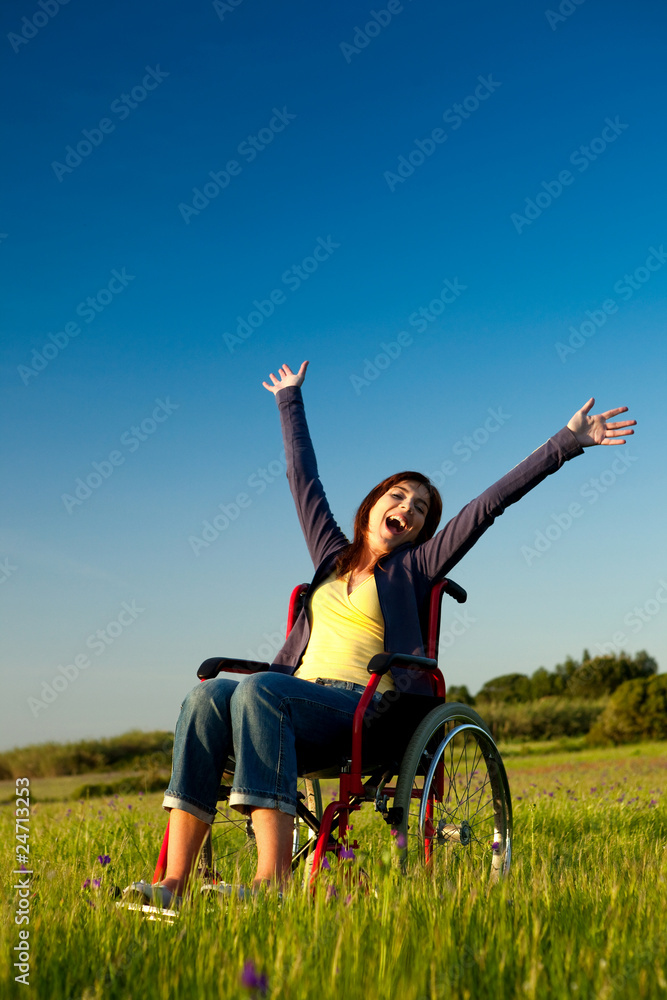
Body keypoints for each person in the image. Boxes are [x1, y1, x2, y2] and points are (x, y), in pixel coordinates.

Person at [123, 360, 635, 907]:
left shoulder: (417, 566)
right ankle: (172, 886)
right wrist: (289, 399)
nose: (409, 509)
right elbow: (304, 481)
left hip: (366, 708)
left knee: (258, 691)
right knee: (206, 696)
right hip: (293, 697)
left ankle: (271, 885)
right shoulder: (331, 555)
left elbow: (488, 505)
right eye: (399, 496)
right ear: (373, 504)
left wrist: (567, 442)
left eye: (421, 509)